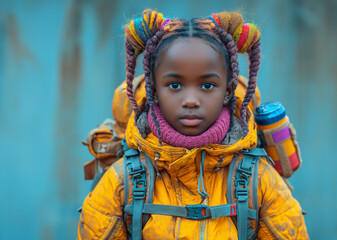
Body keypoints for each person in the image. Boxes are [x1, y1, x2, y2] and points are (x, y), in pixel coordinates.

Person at [77, 9, 309, 239]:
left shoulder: (258, 180)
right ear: (154, 91)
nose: (190, 101)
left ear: (227, 92)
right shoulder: (123, 180)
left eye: (207, 85)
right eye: (175, 85)